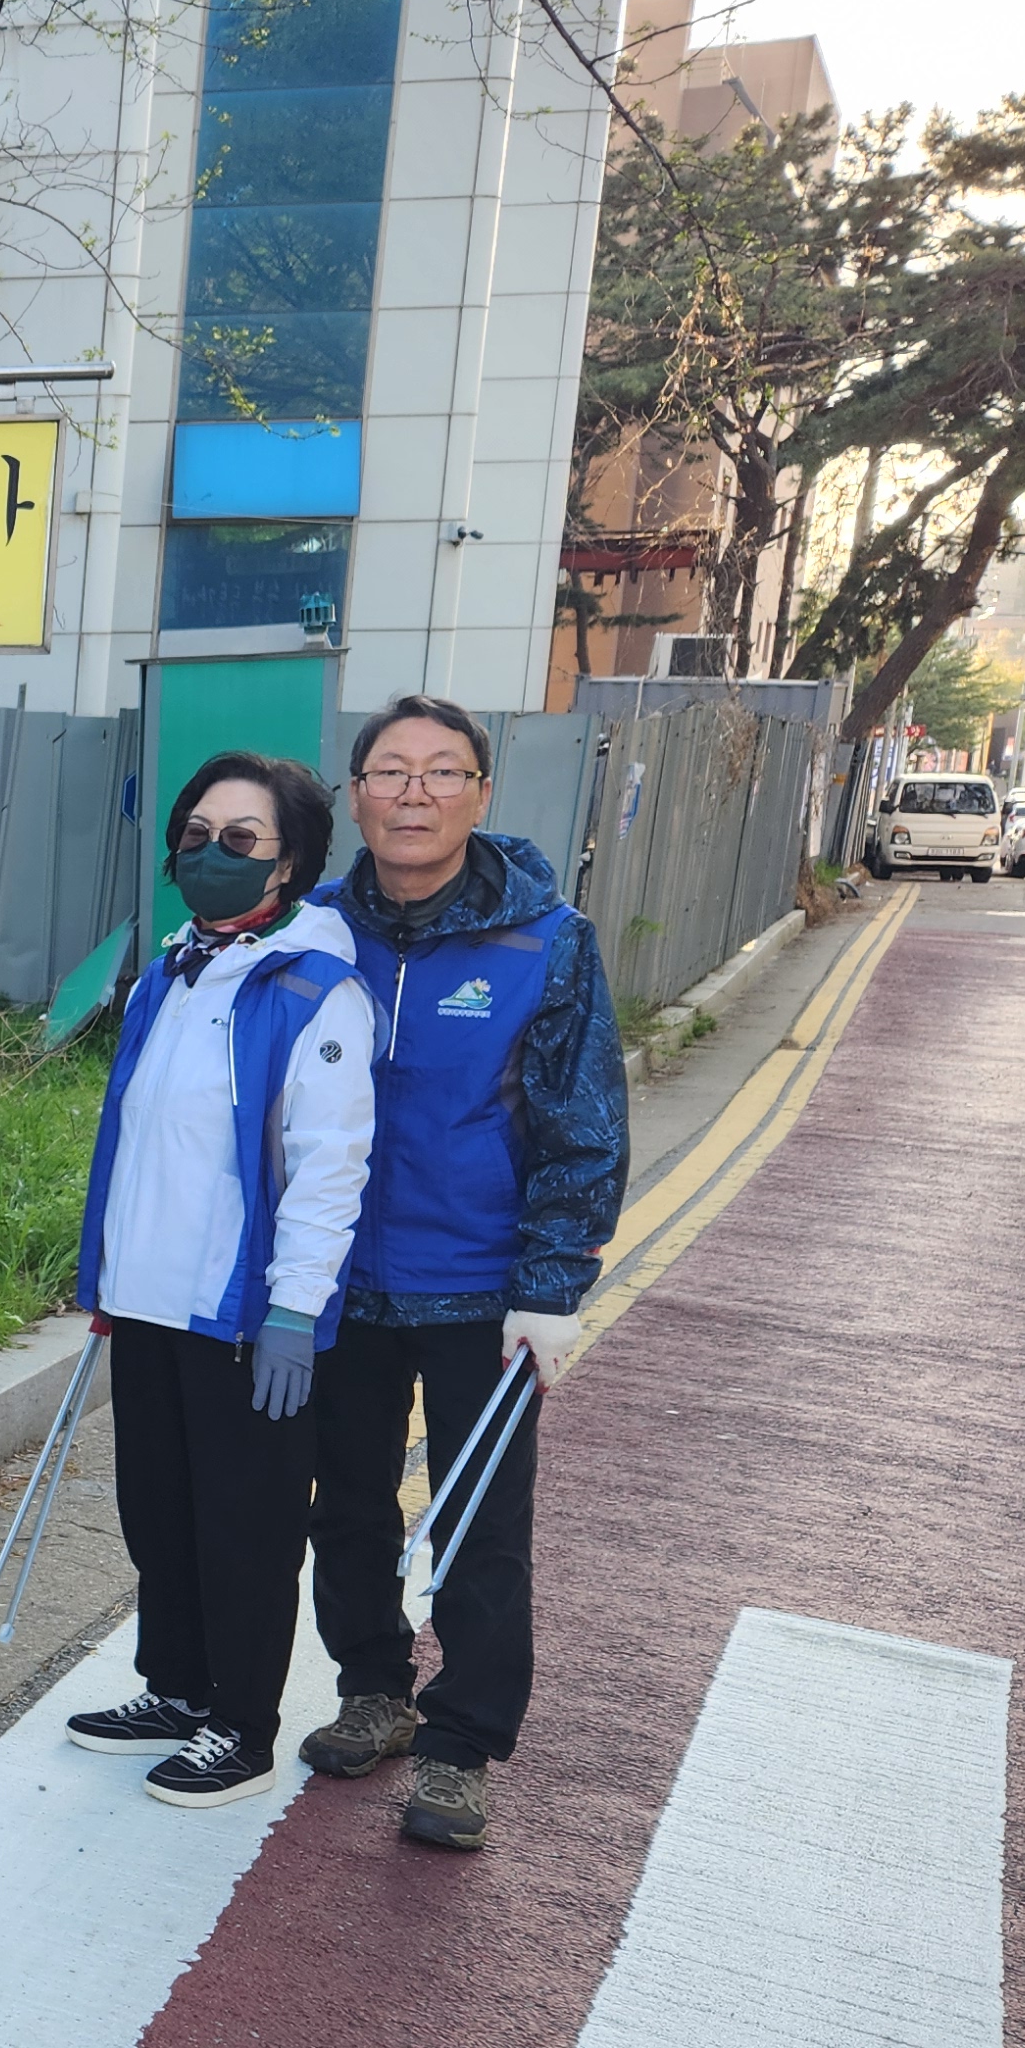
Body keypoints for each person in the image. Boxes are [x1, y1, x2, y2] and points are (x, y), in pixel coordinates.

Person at [300, 694, 629, 1853]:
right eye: (390, 772)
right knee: (341, 1505)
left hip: (480, 1289)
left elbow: (581, 1123)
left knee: (480, 1522)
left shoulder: (547, 940)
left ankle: (459, 1743)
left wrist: (551, 1286)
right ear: (355, 794)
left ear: (481, 797)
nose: (415, 794)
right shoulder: (312, 930)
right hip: (334, 1284)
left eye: (443, 774)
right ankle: (374, 1689)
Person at [62, 755, 375, 1809]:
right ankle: (177, 1687)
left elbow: (330, 1169)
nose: (210, 854)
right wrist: (109, 1271)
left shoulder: (314, 992)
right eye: (196, 834)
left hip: (243, 1317)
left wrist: (295, 1308)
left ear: (290, 862)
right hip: (151, 1302)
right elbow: (140, 1141)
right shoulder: (171, 971)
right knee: (160, 1513)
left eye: (240, 839)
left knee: (244, 1525)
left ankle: (241, 1721)